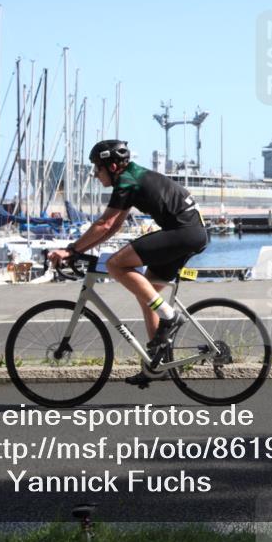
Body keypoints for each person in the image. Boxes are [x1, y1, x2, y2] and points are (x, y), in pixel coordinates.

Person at [47, 140, 209, 385]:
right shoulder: (132, 178)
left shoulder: (127, 180)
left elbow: (104, 224)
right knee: (147, 295)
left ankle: (170, 316)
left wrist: (70, 250)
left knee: (115, 265)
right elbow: (113, 227)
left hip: (184, 233)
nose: (95, 173)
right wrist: (80, 251)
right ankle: (158, 364)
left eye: (97, 168)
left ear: (112, 166)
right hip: (191, 233)